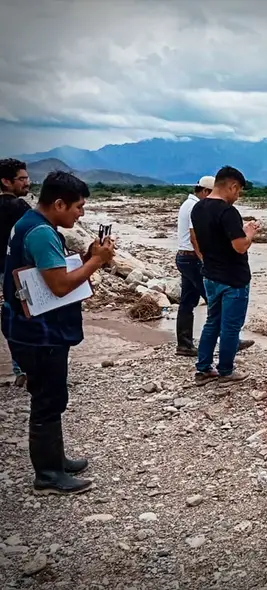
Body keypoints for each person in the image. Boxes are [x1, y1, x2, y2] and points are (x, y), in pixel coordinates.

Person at [2, 171, 115, 495]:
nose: (81, 214)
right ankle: (48, 475)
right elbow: (60, 285)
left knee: (51, 395)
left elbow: (50, 271)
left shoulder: (29, 222)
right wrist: (96, 261)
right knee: (48, 399)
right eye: (78, 207)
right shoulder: (40, 232)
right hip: (39, 333)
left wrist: (86, 257)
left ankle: (55, 459)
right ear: (59, 204)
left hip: (29, 327)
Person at [189, 165, 259, 385]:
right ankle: (226, 371)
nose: (237, 197)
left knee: (212, 322)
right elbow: (240, 246)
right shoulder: (228, 212)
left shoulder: (198, 208)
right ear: (233, 186)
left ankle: (203, 369)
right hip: (233, 279)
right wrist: (250, 233)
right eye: (238, 192)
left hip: (211, 275)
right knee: (230, 327)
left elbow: (205, 239)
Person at [175, 175, 253, 357]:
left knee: (187, 302)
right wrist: (206, 260)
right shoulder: (197, 207)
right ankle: (230, 343)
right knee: (218, 308)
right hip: (194, 259)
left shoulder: (189, 205)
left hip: (184, 257)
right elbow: (194, 238)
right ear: (205, 191)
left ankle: (184, 344)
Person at [0, 158, 33, 386]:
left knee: (11, 315)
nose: (27, 183)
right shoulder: (19, 208)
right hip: (19, 272)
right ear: (5, 181)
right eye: (22, 179)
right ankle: (27, 367)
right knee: (27, 316)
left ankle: (20, 368)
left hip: (4, 272)